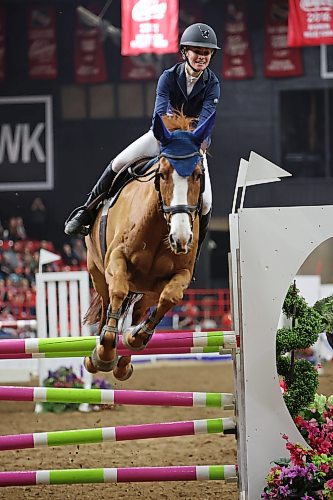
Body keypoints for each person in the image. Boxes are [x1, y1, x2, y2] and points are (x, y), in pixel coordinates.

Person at [64, 22, 221, 266]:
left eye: (206, 53)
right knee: (118, 163)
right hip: (163, 137)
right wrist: (171, 138)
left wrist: (196, 143)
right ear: (184, 52)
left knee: (208, 201)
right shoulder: (168, 78)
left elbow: (208, 118)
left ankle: (193, 254)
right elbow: (160, 115)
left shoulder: (212, 83)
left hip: (191, 146)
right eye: (197, 51)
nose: (201, 57)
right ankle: (86, 211)